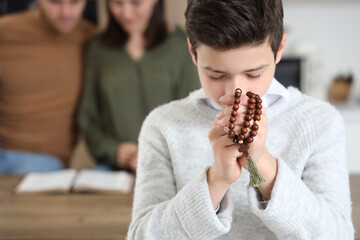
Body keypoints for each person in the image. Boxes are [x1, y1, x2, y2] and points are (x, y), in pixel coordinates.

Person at [127, 0, 354, 239]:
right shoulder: (162, 125)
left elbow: (338, 235)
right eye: (216, 75)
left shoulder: (320, 122)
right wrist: (215, 181)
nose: (236, 91)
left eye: (253, 74)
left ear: (279, 49)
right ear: (193, 53)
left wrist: (262, 165)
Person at [78, 0, 199, 172]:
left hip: (171, 164)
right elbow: (88, 117)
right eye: (117, 4)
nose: (126, 13)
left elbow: (191, 115)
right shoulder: (97, 49)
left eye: (136, 3)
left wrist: (157, 154)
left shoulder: (181, 46)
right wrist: (114, 150)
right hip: (112, 167)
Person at [0, 0, 95, 174]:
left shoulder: (91, 39)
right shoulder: (5, 32)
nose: (66, 12)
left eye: (74, 2)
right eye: (55, 2)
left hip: (45, 161)